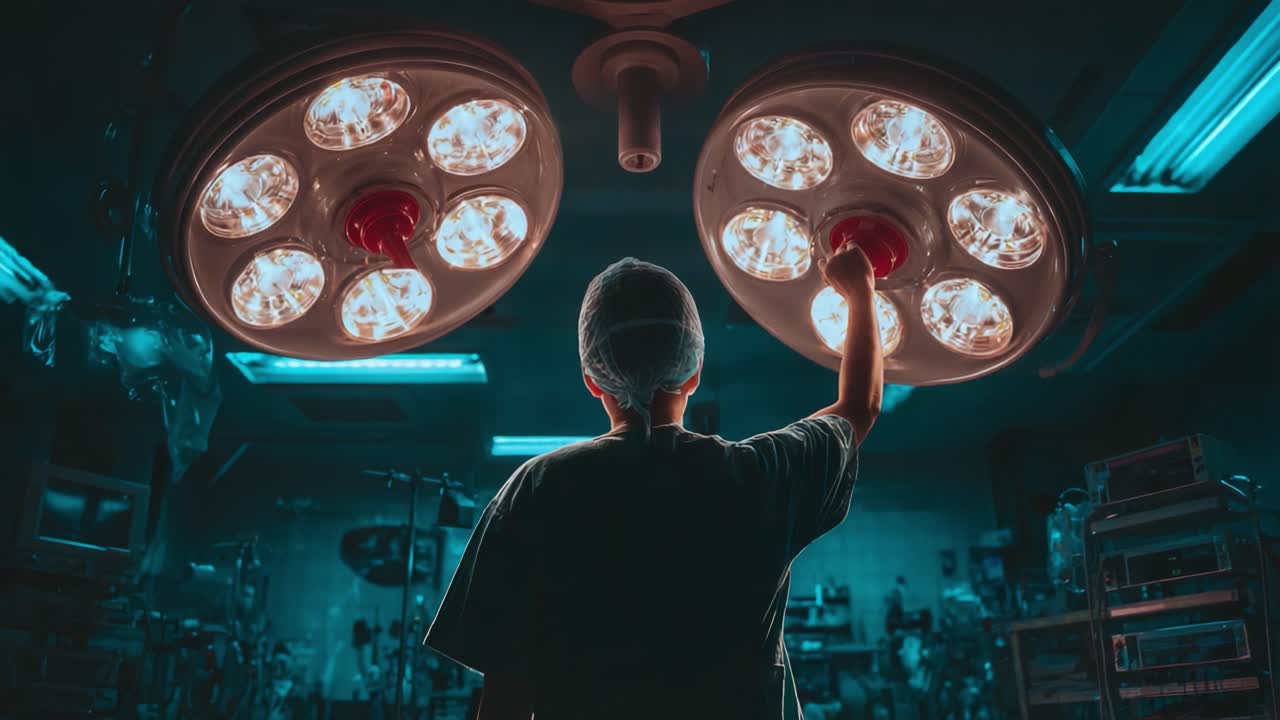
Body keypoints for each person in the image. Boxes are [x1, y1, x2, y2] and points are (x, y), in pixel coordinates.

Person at [425, 241, 883, 720]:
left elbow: (505, 700)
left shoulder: (537, 490)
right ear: (695, 372)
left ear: (592, 379)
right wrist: (859, 290)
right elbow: (860, 407)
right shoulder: (759, 478)